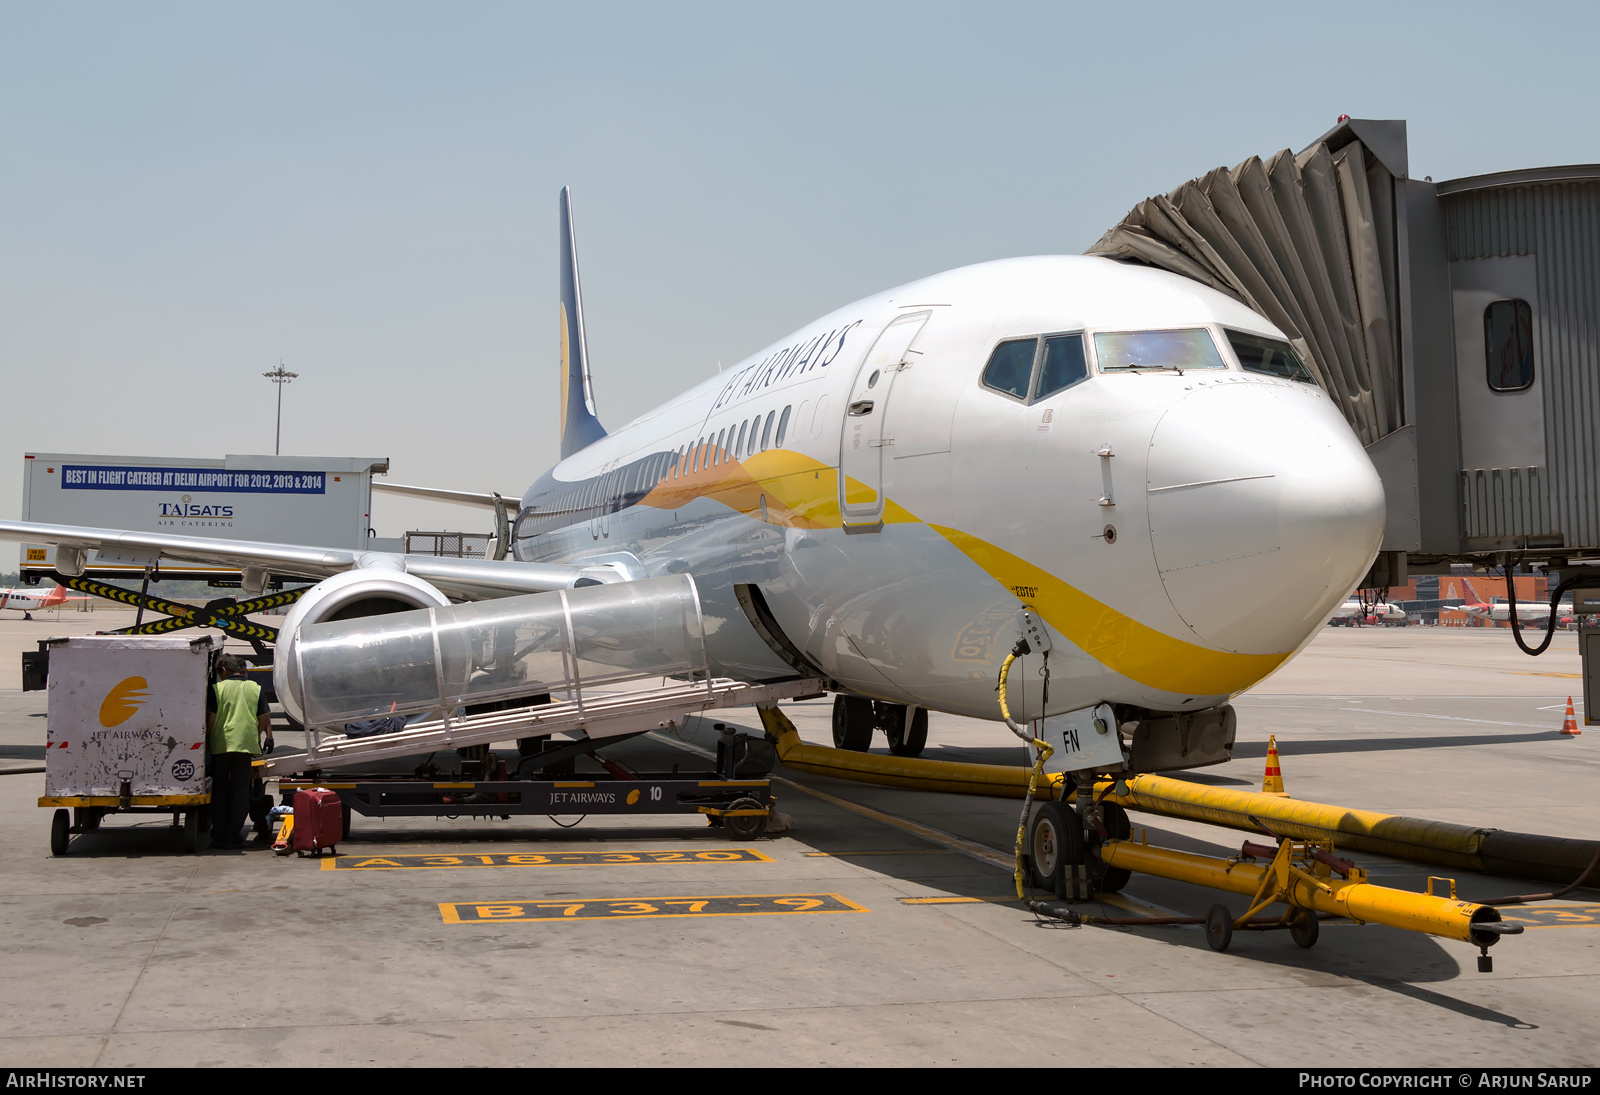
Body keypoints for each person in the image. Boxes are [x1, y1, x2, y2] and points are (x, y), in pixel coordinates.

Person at [205, 653, 273, 849]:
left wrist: (209, 741)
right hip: (244, 747)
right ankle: (234, 835)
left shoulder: (216, 689)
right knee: (240, 791)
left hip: (220, 746)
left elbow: (210, 720)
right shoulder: (255, 688)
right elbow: (263, 718)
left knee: (220, 791)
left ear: (223, 670)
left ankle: (219, 835)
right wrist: (256, 735)